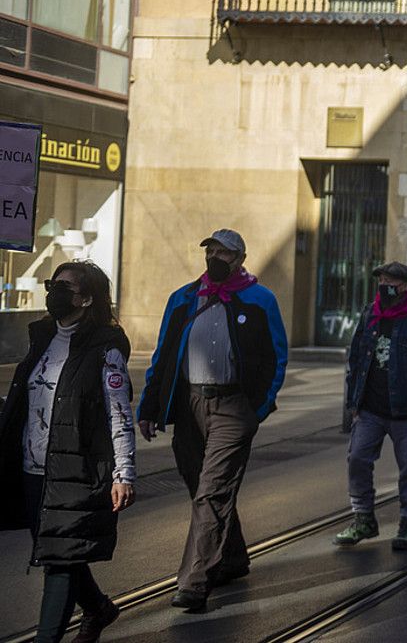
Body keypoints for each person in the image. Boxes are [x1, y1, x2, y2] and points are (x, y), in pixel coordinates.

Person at [137, 229, 287, 612]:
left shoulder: (259, 299)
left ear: (240, 258)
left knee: (212, 492)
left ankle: (194, 582)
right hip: (189, 407)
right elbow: (163, 355)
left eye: (224, 253)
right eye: (211, 251)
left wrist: (258, 409)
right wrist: (150, 407)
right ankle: (233, 557)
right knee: (201, 487)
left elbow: (276, 356)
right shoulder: (184, 298)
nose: (215, 257)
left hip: (233, 407)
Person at [0, 262, 134, 643]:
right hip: (33, 467)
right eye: (51, 285)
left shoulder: (105, 350)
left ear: (87, 298)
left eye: (64, 287)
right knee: (61, 550)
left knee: (58, 560)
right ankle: (98, 609)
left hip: (77, 469)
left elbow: (119, 413)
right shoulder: (41, 338)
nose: (53, 292)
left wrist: (124, 473)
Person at [335, 262, 407, 551]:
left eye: (390, 281)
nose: (384, 285)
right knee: (358, 458)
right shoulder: (371, 312)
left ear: (405, 285)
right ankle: (363, 518)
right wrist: (354, 402)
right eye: (381, 280)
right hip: (370, 408)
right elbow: (357, 356)